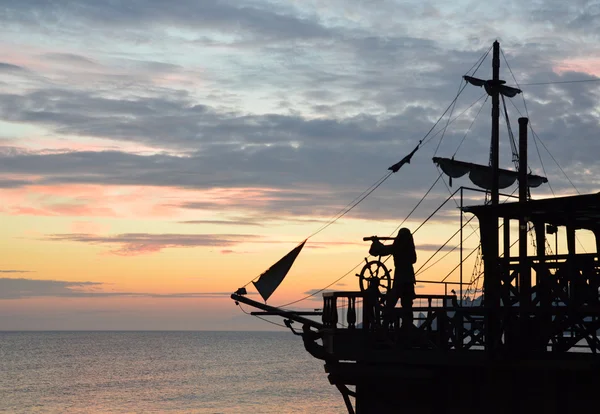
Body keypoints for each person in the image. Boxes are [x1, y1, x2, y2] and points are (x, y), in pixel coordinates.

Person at [369, 228, 417, 330]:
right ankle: (407, 326)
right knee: (407, 305)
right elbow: (413, 259)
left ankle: (385, 326)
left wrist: (376, 242)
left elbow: (383, 250)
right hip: (409, 280)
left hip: (400, 280)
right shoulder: (409, 248)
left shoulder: (397, 247)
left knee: (390, 303)